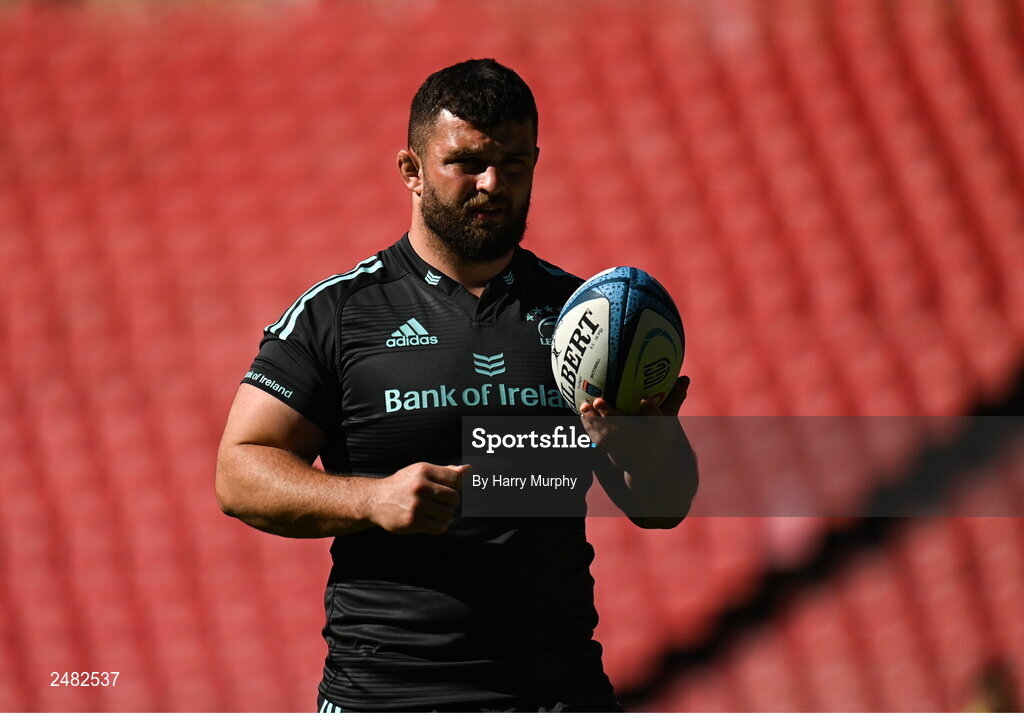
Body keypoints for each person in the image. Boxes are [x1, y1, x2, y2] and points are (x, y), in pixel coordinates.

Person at [215, 58, 698, 712]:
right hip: (387, 696)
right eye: (466, 162)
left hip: (555, 693)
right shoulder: (341, 313)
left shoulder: (583, 321)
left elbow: (662, 505)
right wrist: (373, 500)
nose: (492, 183)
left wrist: (648, 452)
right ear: (411, 171)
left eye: (514, 163)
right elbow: (238, 472)